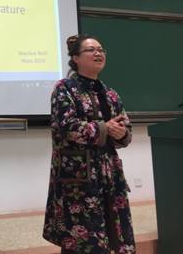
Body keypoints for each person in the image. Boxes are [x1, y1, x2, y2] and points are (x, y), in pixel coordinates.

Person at [43, 34, 135, 254]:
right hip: (78, 177)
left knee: (115, 236)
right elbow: (66, 127)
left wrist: (121, 133)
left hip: (109, 174)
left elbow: (125, 127)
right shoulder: (65, 88)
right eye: (91, 50)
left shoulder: (110, 94)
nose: (98, 53)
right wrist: (104, 128)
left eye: (101, 49)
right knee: (82, 241)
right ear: (75, 58)